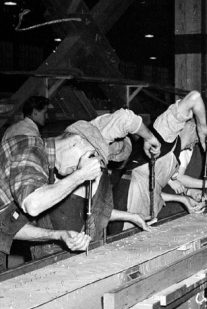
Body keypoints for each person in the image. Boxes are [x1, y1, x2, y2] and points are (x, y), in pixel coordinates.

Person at [29, 109, 162, 258]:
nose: (109, 157)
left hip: (78, 244)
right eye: (111, 152)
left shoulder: (95, 165)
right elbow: (125, 118)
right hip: (50, 248)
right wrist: (150, 138)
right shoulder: (87, 141)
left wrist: (132, 216)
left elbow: (97, 211)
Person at [0, 121, 105, 271]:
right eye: (86, 158)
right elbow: (32, 205)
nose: (74, 169)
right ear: (76, 142)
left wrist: (59, 235)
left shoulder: (41, 168)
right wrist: (80, 175)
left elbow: (7, 229)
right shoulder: (30, 147)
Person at [113, 90, 207, 222]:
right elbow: (194, 97)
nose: (192, 146)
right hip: (128, 204)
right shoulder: (166, 133)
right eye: (196, 140)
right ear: (190, 127)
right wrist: (202, 127)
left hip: (146, 209)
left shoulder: (175, 155)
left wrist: (184, 198)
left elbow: (154, 191)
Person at [168, 108, 207, 201]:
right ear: (203, 123)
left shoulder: (206, 146)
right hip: (171, 198)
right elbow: (178, 177)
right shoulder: (188, 140)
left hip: (187, 198)